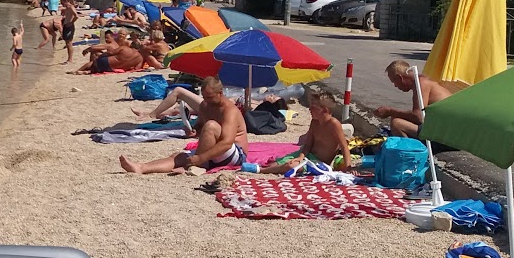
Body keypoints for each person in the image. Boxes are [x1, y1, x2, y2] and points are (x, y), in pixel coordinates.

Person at [121, 77, 249, 174]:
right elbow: (200, 126)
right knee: (177, 157)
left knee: (211, 126)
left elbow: (227, 142)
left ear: (220, 94)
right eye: (204, 97)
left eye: (210, 97)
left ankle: (197, 166)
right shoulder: (206, 105)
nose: (207, 101)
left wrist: (200, 158)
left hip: (235, 154)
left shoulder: (229, 110)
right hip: (214, 150)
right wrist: (195, 130)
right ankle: (141, 168)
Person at [259, 86, 349, 174]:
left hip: (318, 162)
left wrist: (348, 167)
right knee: (275, 164)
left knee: (290, 166)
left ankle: (260, 170)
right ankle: (262, 169)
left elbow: (344, 147)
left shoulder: (333, 124)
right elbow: (308, 144)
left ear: (324, 110)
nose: (309, 109)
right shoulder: (315, 122)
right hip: (307, 154)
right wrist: (300, 157)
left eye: (313, 107)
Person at [374, 60, 460, 137]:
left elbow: (418, 117)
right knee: (399, 119)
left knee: (397, 123)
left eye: (394, 82)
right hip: (448, 129)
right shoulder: (423, 81)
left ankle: (409, 152)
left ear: (400, 78)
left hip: (449, 135)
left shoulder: (421, 84)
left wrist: (390, 111)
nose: (395, 86)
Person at [61, 0, 80, 65]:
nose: (61, 3)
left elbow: (76, 16)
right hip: (66, 26)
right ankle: (69, 59)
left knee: (69, 43)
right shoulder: (67, 8)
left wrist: (71, 22)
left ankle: (70, 59)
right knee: (67, 42)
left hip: (69, 27)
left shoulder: (71, 7)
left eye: (62, 2)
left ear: (66, 1)